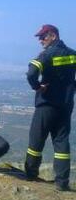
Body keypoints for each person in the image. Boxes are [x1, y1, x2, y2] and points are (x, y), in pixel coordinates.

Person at [24, 24, 76, 191]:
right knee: (61, 143)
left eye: (43, 36)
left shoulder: (47, 54)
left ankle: (31, 174)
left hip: (46, 105)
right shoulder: (73, 54)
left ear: (53, 35)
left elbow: (31, 73)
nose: (40, 40)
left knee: (36, 139)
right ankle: (62, 182)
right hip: (65, 106)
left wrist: (37, 87)